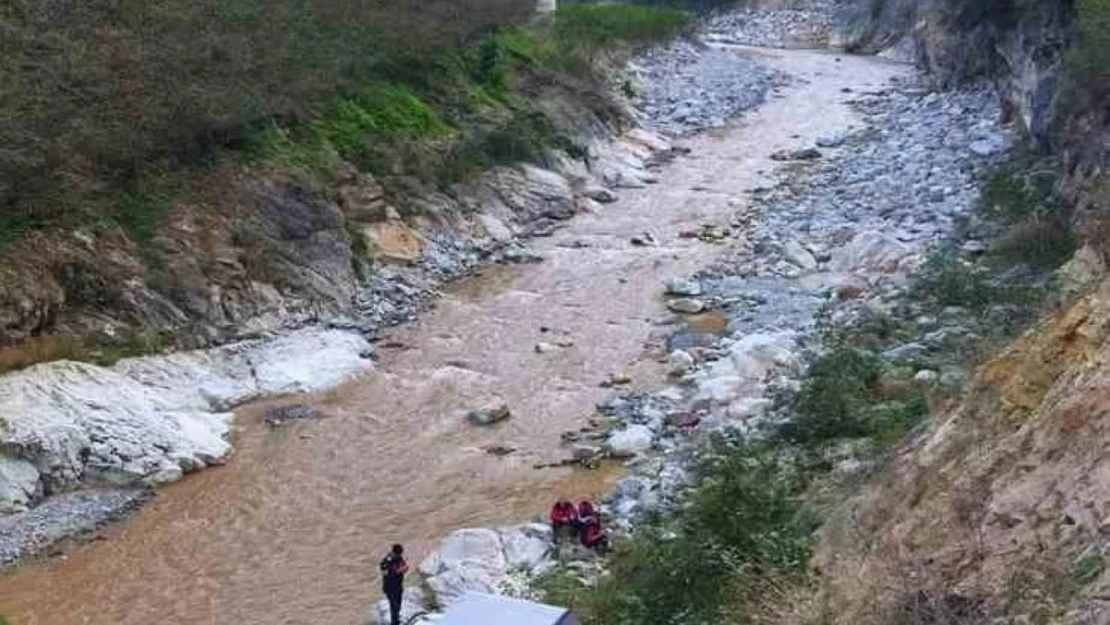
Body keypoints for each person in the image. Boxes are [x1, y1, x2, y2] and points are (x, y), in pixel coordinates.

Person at [380, 544, 409, 625]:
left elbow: (403, 565)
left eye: (399, 554)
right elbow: (384, 569)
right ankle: (394, 623)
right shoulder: (387, 560)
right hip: (390, 587)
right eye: (396, 554)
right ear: (393, 552)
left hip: (398, 586)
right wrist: (396, 571)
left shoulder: (399, 558)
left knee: (398, 606)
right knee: (394, 606)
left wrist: (404, 568)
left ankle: (396, 621)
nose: (398, 556)